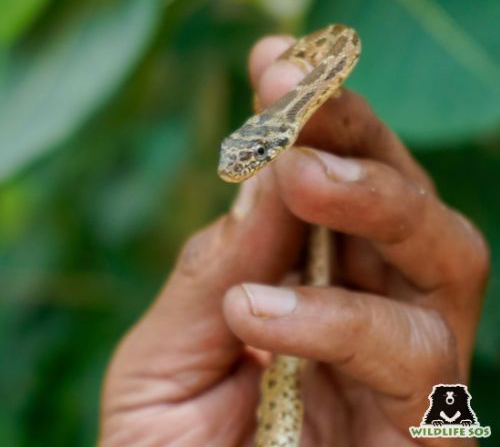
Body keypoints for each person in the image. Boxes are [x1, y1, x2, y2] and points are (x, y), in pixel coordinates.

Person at [99, 35, 489, 446]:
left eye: (255, 157)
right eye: (239, 154)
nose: (238, 168)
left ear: (278, 139)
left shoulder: (305, 99)